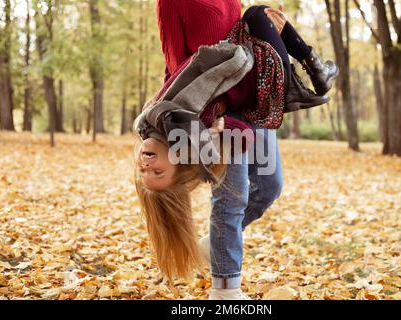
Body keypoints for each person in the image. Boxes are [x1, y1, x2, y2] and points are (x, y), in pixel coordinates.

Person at [134, 0, 338, 300]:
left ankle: (216, 242)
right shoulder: (170, 3)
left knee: (270, 187)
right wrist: (215, 117)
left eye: (144, 169)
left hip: (255, 94)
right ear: (178, 161)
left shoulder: (150, 123)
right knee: (232, 199)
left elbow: (242, 28)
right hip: (223, 110)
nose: (147, 163)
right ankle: (225, 289)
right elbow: (179, 65)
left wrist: (274, 29)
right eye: (158, 171)